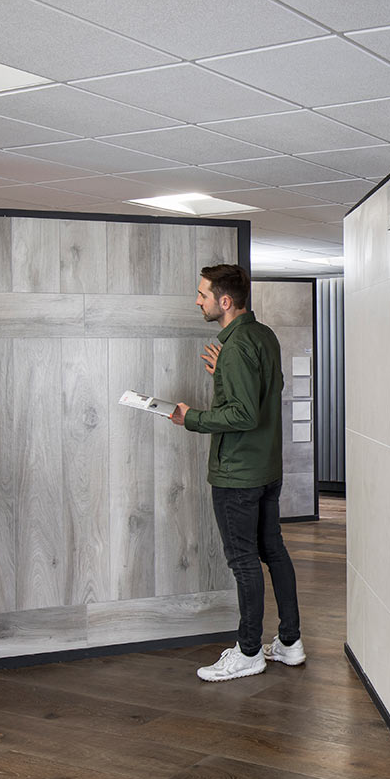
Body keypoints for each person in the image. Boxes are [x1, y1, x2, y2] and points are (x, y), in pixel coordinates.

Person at [168, 264, 304, 682]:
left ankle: (248, 652)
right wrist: (223, 374)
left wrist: (191, 418)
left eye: (203, 294)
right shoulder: (263, 336)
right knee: (273, 551)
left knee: (244, 561)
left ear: (224, 301)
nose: (198, 301)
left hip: (238, 476)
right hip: (266, 469)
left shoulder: (237, 345)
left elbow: (244, 414)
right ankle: (289, 642)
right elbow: (269, 390)